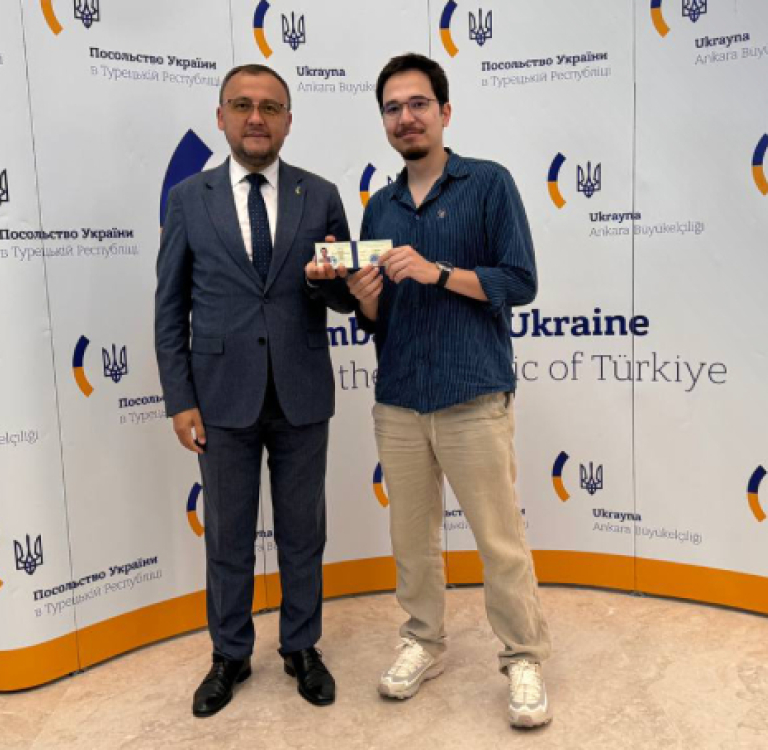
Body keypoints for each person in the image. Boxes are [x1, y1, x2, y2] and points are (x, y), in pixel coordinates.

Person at [345, 53, 553, 728]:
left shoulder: (488, 183)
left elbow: (519, 282)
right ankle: (422, 642)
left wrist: (437, 272)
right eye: (392, 108)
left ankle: (522, 656)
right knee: (412, 541)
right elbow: (376, 320)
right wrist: (366, 297)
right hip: (400, 399)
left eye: (417, 104)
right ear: (383, 121)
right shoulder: (378, 205)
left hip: (473, 394)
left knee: (499, 542)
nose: (405, 118)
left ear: (444, 111)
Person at [155, 62, 355, 718]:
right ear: (221, 117)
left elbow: (342, 298)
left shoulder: (320, 195)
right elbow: (170, 307)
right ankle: (230, 654)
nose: (256, 118)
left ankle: (301, 646)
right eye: (242, 105)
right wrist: (180, 398)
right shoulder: (189, 198)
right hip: (219, 397)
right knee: (228, 536)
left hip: (301, 392)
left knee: (303, 533)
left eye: (270, 107)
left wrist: (333, 283)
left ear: (288, 120)